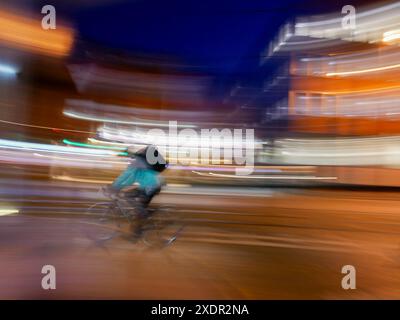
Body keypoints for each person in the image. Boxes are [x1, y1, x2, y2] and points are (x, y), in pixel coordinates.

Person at [110, 145, 167, 238]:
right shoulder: (139, 163)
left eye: (126, 157)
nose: (126, 159)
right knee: (127, 195)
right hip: (148, 186)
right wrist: (118, 187)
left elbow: (125, 175)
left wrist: (114, 186)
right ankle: (144, 214)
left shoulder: (136, 162)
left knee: (139, 210)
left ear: (130, 155)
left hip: (151, 186)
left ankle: (135, 234)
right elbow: (130, 179)